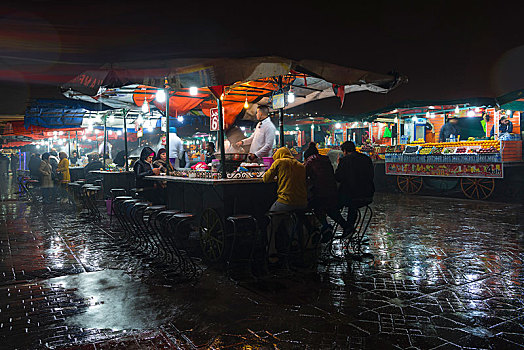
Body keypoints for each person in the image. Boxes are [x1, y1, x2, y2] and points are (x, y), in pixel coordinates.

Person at [263, 147, 307, 262]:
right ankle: (294, 244)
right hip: (302, 202)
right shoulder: (300, 164)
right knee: (288, 219)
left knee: (271, 224)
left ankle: (271, 251)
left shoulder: (279, 162)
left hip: (286, 201)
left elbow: (266, 179)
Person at [304, 144, 348, 243]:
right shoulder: (326, 160)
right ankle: (345, 226)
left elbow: (303, 175)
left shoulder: (310, 161)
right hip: (333, 192)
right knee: (330, 209)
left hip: (319, 194)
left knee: (307, 208)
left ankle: (318, 229)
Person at [335, 141, 375, 238]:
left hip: (351, 196)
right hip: (368, 194)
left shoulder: (345, 160)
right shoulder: (366, 158)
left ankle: (347, 227)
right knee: (353, 207)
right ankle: (349, 229)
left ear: (345, 151)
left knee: (330, 206)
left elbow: (338, 177)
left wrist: (338, 164)